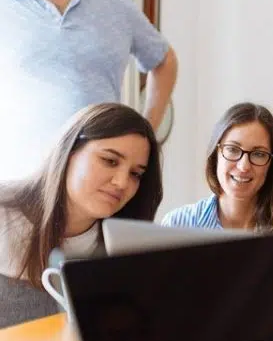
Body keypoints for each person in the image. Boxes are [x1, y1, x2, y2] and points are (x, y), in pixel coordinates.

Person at [0, 103, 163, 328]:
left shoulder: (123, 246)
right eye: (110, 161)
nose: (122, 182)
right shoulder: (4, 214)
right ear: (69, 152)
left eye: (135, 174)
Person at [0, 0, 178, 181]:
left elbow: (165, 61)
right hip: (17, 176)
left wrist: (147, 132)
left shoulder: (117, 6)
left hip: (101, 178)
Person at [161, 103, 273, 244]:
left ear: (272, 163)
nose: (244, 166)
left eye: (258, 154)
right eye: (232, 149)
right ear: (216, 154)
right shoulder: (177, 225)